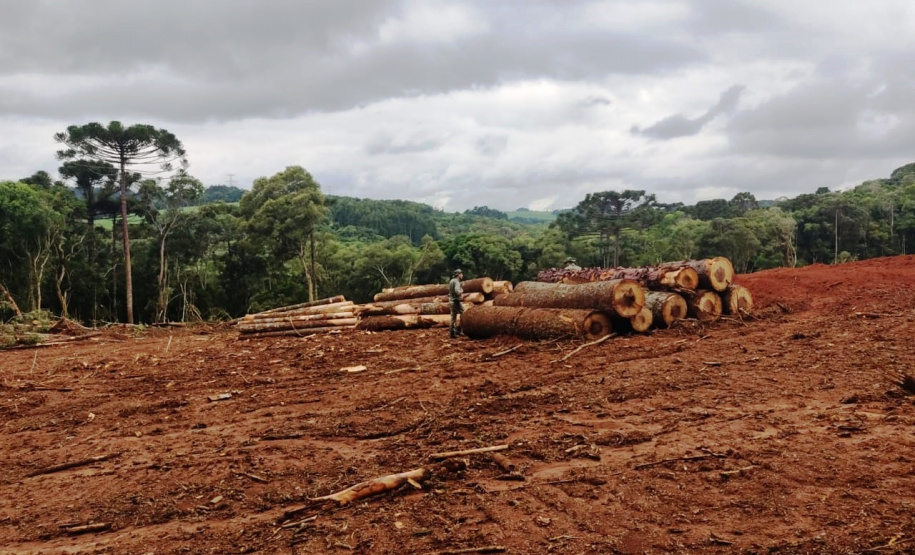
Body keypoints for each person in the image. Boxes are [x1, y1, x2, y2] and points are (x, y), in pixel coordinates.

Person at [449, 269, 464, 338]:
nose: (462, 275)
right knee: (463, 313)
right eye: (461, 274)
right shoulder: (457, 282)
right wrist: (461, 290)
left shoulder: (452, 281)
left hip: (451, 300)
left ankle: (454, 331)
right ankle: (458, 330)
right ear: (458, 275)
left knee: (453, 317)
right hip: (456, 301)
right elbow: (457, 291)